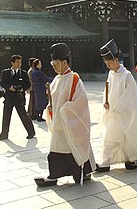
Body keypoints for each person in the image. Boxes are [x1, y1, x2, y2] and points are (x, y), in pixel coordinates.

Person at [34, 43, 96, 187]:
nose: (54, 66)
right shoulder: (56, 79)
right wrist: (51, 108)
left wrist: (64, 110)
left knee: (73, 146)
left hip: (69, 122)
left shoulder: (74, 79)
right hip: (59, 122)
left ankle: (83, 172)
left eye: (56, 63)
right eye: (52, 63)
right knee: (56, 149)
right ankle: (54, 175)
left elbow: (80, 101)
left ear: (65, 62)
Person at [96, 39, 137, 172]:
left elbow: (131, 96)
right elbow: (107, 91)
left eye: (109, 62)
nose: (107, 65)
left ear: (117, 60)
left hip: (121, 112)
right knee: (112, 136)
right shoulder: (111, 74)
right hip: (113, 112)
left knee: (122, 137)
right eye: (106, 63)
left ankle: (129, 160)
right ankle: (109, 162)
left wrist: (118, 108)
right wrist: (105, 102)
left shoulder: (127, 75)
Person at [0, 55, 35, 141]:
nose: (19, 64)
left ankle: (31, 132)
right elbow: (2, 82)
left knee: (24, 116)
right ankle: (4, 135)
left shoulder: (23, 73)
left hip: (19, 97)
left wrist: (22, 88)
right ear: (12, 62)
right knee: (6, 117)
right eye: (17, 62)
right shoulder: (5, 72)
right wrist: (9, 87)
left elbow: (28, 84)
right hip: (9, 97)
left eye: (20, 62)